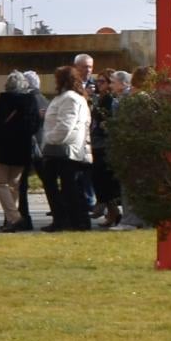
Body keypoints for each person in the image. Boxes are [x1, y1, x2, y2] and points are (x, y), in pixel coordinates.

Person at [0, 70, 40, 231]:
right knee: (14, 184)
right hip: (22, 148)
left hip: (3, 148)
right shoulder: (31, 100)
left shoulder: (4, 100)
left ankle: (15, 218)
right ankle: (11, 220)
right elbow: (35, 125)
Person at [37, 65, 94, 230]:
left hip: (63, 149)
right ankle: (75, 220)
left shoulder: (69, 98)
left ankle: (66, 220)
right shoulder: (74, 97)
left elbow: (65, 126)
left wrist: (49, 139)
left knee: (60, 186)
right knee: (70, 187)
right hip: (69, 149)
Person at [91, 69, 132, 227]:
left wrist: (109, 126)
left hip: (106, 144)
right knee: (102, 181)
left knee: (105, 181)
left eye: (103, 81)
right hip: (101, 143)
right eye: (98, 81)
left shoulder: (112, 99)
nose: (98, 84)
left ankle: (113, 212)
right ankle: (112, 212)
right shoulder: (104, 98)